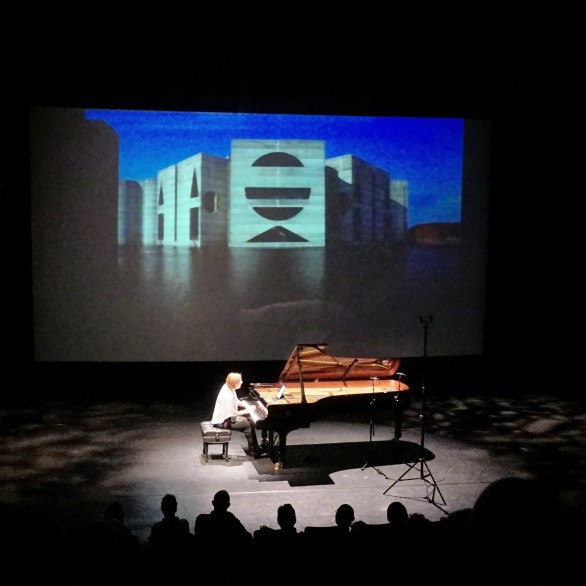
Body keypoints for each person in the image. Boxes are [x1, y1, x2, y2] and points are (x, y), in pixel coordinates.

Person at [211, 371, 262, 457]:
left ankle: (254, 448)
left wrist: (247, 406)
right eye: (240, 381)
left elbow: (236, 401)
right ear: (235, 383)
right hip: (222, 421)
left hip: (225, 417)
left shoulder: (228, 387)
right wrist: (249, 410)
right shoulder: (228, 395)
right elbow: (233, 414)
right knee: (248, 425)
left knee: (249, 420)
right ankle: (254, 451)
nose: (242, 382)